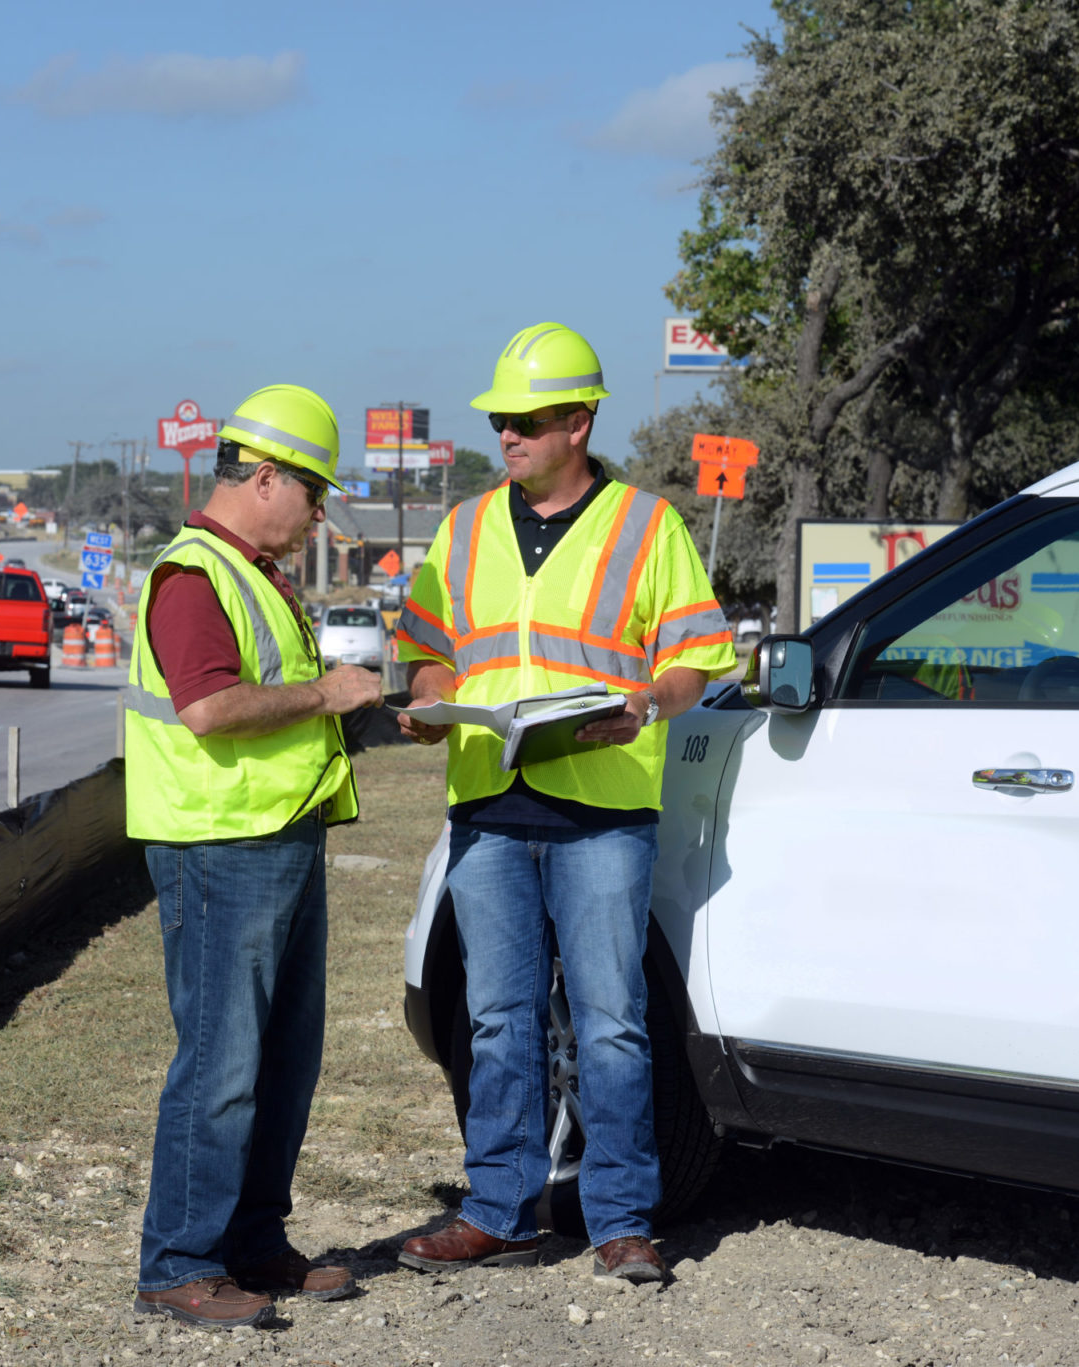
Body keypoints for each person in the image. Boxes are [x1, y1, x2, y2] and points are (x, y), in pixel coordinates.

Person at [391, 323, 736, 1284]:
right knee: (499, 1020)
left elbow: (698, 657)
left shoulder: (646, 526)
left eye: (527, 419)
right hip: (491, 806)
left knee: (612, 1020)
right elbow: (430, 645)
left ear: (579, 421)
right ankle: (501, 1209)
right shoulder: (462, 531)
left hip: (601, 811)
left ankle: (622, 1218)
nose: (507, 434)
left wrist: (646, 703)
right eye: (501, 418)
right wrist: (427, 697)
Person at [123, 384, 383, 1328]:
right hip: (217, 848)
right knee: (223, 1062)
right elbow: (207, 707)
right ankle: (179, 1262)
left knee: (283, 1058)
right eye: (313, 491)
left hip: (277, 841)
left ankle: (254, 1244)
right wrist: (325, 696)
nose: (319, 513)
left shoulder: (257, 573)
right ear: (264, 475)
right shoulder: (194, 576)